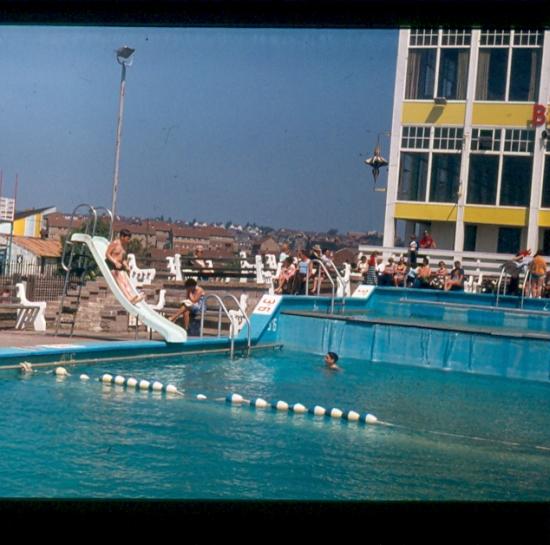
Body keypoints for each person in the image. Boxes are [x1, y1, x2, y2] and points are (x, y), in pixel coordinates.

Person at [105, 228, 144, 304]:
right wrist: (115, 262)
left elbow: (123, 259)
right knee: (120, 280)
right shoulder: (115, 243)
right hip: (112, 266)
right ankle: (129, 298)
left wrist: (126, 266)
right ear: (122, 237)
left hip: (119, 268)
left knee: (125, 280)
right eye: (127, 238)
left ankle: (133, 296)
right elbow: (107, 254)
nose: (128, 240)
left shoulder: (124, 246)